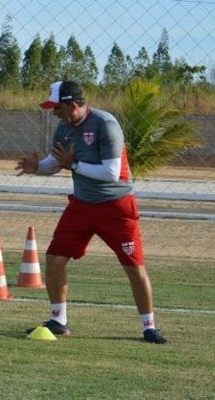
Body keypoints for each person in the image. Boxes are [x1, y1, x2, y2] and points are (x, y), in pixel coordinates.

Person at [15, 80, 168, 344]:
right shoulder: (64, 128)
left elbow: (109, 173)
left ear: (73, 105)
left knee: (133, 267)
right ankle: (59, 321)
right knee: (54, 259)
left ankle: (149, 327)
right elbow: (56, 162)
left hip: (116, 206)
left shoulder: (105, 125)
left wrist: (73, 165)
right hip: (82, 205)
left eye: (58, 107)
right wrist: (37, 166)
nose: (55, 113)